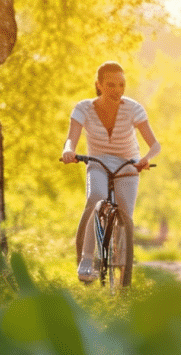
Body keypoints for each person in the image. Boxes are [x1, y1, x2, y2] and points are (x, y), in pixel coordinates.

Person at [61, 61, 161, 283]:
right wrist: (69, 151)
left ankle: (122, 259)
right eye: (111, 85)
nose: (117, 90)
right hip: (98, 161)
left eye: (121, 85)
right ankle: (87, 259)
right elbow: (71, 139)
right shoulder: (83, 108)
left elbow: (155, 145)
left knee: (126, 214)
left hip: (128, 163)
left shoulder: (133, 108)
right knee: (96, 197)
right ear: (99, 85)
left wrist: (146, 159)